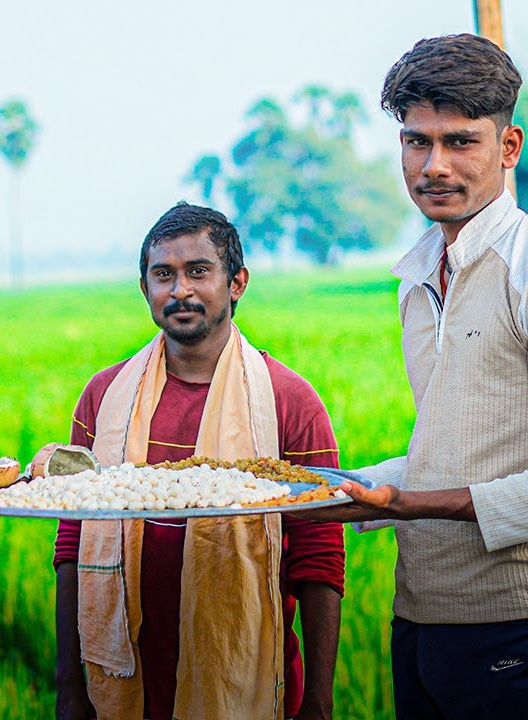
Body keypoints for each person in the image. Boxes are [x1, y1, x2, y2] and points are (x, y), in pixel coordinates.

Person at [301, 34, 528, 719]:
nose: (433, 165)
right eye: (416, 142)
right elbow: (454, 451)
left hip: (524, 622)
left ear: (509, 148)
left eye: (459, 142)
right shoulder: (416, 276)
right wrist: (345, 490)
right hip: (419, 613)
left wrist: (407, 504)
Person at [53, 203, 345, 720]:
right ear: (144, 288)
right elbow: (73, 540)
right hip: (125, 677)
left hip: (249, 675)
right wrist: (69, 684)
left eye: (198, 271)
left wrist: (319, 700)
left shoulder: (288, 402)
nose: (180, 290)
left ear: (236, 283)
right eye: (163, 274)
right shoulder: (106, 397)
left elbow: (318, 556)